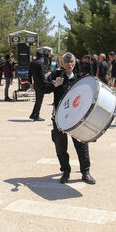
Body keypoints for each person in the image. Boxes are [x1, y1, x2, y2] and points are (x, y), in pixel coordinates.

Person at [42, 52, 95, 184]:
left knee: (82, 145)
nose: (69, 65)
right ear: (61, 63)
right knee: (60, 145)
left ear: (75, 63)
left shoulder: (80, 78)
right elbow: (42, 88)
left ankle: (85, 172)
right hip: (60, 117)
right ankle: (65, 171)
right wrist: (53, 85)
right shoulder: (55, 75)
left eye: (71, 62)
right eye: (66, 62)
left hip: (77, 117)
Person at [28, 50, 46, 121]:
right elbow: (42, 75)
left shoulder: (32, 63)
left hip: (35, 83)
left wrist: (30, 83)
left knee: (37, 100)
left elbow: (29, 74)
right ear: (42, 56)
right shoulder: (40, 63)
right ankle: (36, 115)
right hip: (40, 84)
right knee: (39, 100)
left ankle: (33, 114)